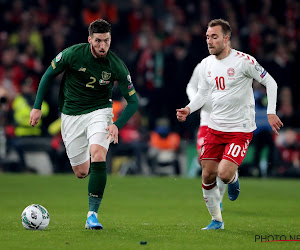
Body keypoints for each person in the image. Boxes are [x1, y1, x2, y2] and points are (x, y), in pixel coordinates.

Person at [30, 19, 139, 230]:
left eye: (106, 41)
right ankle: (94, 175)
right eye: (98, 40)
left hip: (100, 111)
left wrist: (117, 124)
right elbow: (47, 75)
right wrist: (37, 106)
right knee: (81, 172)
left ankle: (92, 216)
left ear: (110, 40)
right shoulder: (72, 54)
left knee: (98, 153)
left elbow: (133, 101)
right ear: (90, 39)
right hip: (71, 115)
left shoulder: (116, 66)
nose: (102, 45)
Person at [176, 19, 283, 230]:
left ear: (226, 38)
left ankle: (233, 179)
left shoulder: (244, 61)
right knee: (207, 173)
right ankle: (217, 221)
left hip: (239, 130)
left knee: (223, 174)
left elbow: (270, 82)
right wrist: (189, 109)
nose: (209, 41)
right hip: (215, 128)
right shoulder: (206, 64)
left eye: (214, 36)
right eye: (207, 37)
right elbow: (203, 93)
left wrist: (271, 112)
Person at [186, 63, 227, 210]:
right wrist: (196, 101)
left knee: (221, 163)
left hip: (226, 120)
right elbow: (191, 86)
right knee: (204, 159)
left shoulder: (235, 66)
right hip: (207, 120)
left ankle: (219, 198)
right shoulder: (203, 66)